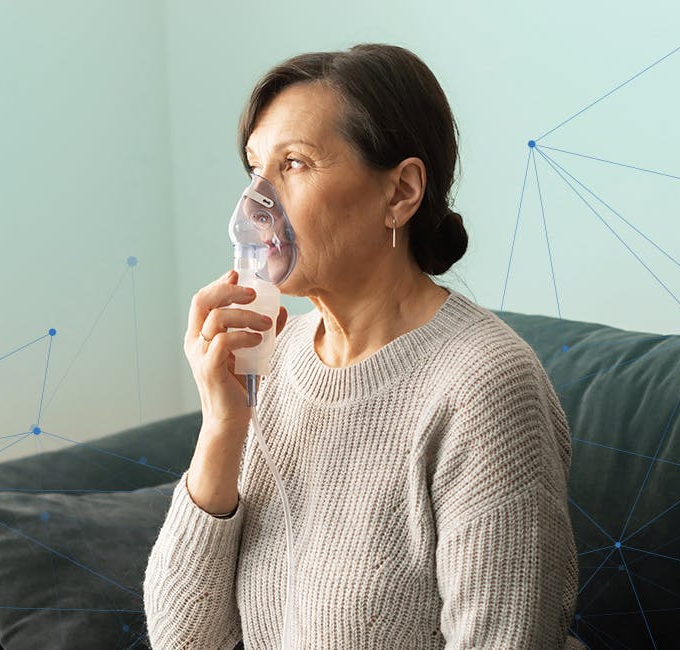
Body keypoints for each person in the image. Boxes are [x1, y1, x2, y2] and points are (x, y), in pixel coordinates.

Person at [144, 43, 584, 649]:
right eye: (255, 169)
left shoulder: (485, 387)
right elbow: (184, 643)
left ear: (401, 192)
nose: (254, 204)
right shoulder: (277, 361)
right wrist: (223, 424)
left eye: (295, 164)